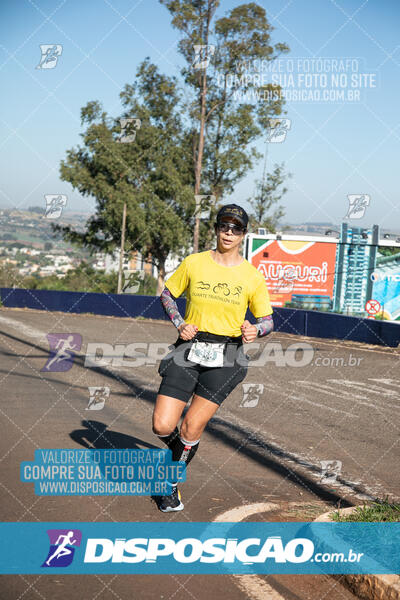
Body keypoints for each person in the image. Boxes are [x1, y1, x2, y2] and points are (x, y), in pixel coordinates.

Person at [152, 204, 274, 512]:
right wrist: (180, 322)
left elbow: (269, 321)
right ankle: (181, 451)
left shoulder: (251, 276)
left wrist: (255, 330)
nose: (229, 232)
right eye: (224, 226)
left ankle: (170, 483)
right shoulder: (195, 263)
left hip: (227, 355)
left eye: (236, 228)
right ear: (217, 228)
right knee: (162, 426)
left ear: (244, 234)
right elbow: (168, 294)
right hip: (189, 347)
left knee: (191, 427)